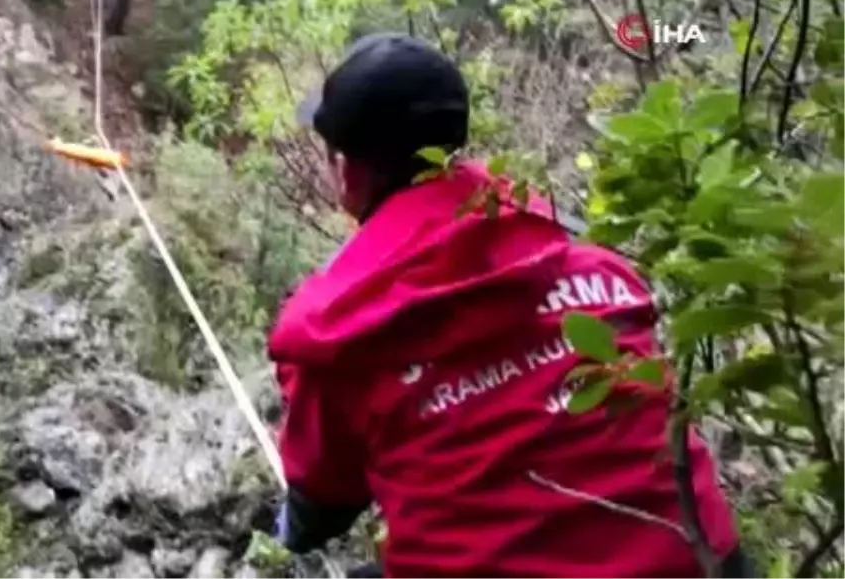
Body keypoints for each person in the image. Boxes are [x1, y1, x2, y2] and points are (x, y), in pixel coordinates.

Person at [268, 32, 755, 578]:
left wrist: (285, 526)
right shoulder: (598, 269)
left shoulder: (340, 336)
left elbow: (319, 511)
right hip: (704, 562)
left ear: (348, 172)